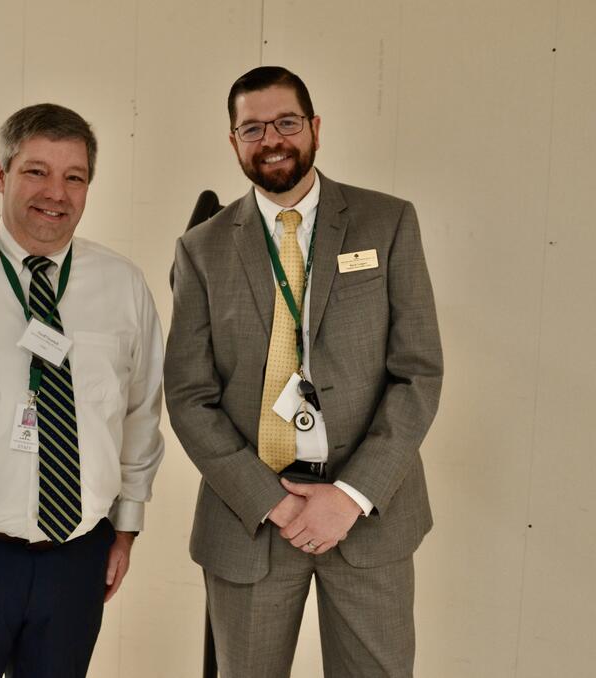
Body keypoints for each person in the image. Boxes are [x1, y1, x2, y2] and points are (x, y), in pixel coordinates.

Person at [164, 66, 443, 677]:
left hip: (368, 517)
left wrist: (350, 496)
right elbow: (188, 396)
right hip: (252, 521)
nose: (272, 140)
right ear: (233, 141)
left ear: (315, 127)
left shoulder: (387, 223)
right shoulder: (201, 249)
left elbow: (418, 373)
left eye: (286, 122)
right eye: (252, 128)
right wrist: (273, 502)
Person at [0, 103, 165, 678]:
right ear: (1, 175)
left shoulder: (123, 286)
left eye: (75, 177)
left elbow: (142, 412)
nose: (56, 193)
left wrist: (126, 528)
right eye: (36, 171)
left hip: (77, 558)